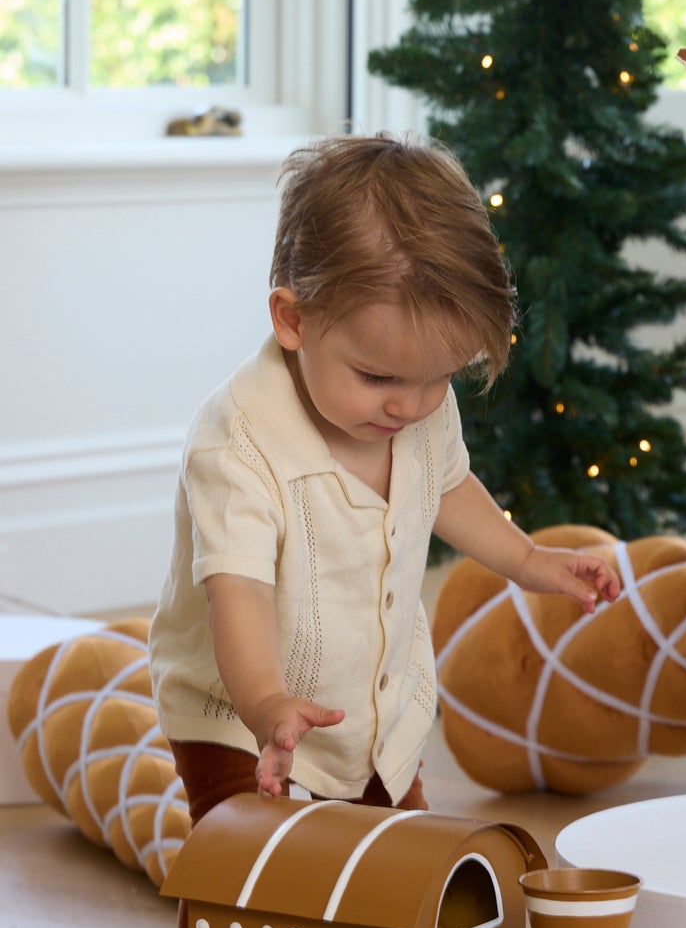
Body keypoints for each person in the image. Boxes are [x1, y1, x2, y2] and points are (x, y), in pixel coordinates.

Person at [149, 132, 620, 832]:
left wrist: (527, 560)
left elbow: (448, 487)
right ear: (293, 320)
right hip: (242, 723)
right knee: (247, 876)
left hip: (372, 724)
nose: (410, 405)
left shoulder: (418, 412)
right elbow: (238, 593)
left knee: (399, 877)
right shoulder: (238, 445)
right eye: (378, 378)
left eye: (440, 378)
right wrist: (267, 703)